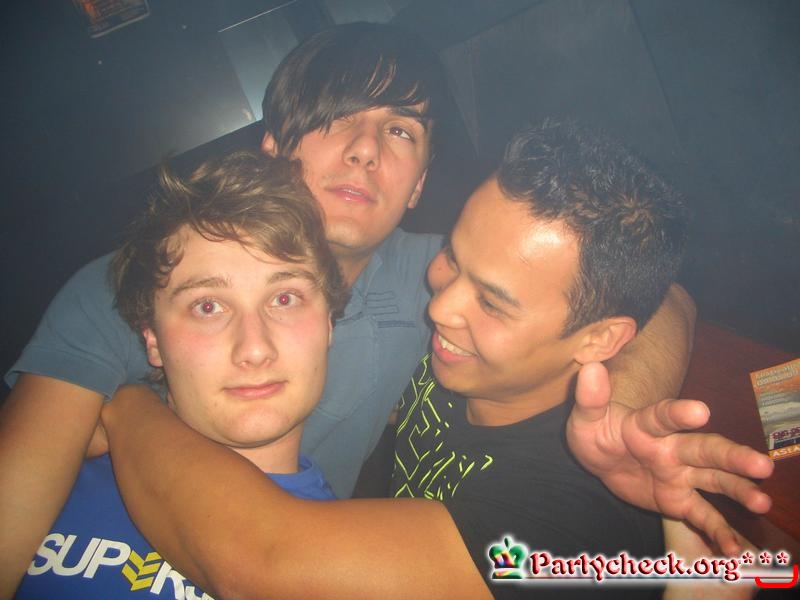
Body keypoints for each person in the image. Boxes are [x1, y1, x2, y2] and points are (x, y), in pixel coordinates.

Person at [0, 22, 765, 598]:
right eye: (338, 117)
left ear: (420, 182)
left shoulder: (431, 285)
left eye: (399, 129)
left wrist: (618, 401)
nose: (367, 149)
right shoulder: (143, 278)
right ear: (273, 148)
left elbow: (659, 291)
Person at [15, 151, 348, 598]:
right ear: (152, 340)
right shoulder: (46, 477)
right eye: (208, 306)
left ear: (329, 323)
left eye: (284, 299)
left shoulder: (351, 563)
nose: (254, 348)